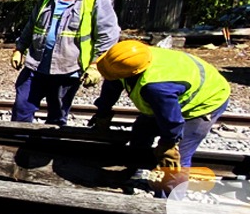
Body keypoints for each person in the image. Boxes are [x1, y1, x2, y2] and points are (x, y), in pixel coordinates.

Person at [10, 0, 120, 126]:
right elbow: (32, 25)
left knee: (57, 115)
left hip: (68, 69)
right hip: (36, 65)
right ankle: (18, 140)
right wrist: (19, 48)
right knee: (22, 108)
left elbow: (107, 36)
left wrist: (95, 65)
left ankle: (50, 143)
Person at [89, 40, 231, 176]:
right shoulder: (130, 58)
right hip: (175, 90)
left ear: (132, 73)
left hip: (206, 100)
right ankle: (134, 172)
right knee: (141, 132)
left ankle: (171, 191)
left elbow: (172, 121)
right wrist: (103, 112)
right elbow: (112, 86)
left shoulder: (156, 87)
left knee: (176, 158)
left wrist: (168, 144)